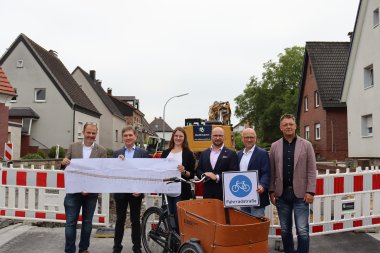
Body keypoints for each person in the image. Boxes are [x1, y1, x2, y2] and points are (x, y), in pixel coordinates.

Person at [269, 114, 316, 253]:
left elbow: (312, 170)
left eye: (290, 124)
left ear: (295, 126)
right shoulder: (274, 146)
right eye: (285, 125)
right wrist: (271, 191)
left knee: (302, 230)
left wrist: (310, 191)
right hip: (281, 194)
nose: (288, 127)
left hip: (301, 194)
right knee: (285, 230)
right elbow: (272, 171)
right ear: (281, 127)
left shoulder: (306, 145)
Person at [61, 122, 107, 253]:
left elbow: (102, 172)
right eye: (88, 132)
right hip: (74, 192)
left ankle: (83, 249)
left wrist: (91, 188)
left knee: (87, 223)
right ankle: (69, 250)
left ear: (96, 134)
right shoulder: (73, 146)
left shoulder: (101, 150)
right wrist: (63, 162)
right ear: (83, 132)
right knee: (70, 222)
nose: (91, 135)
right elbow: (65, 164)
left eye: (93, 133)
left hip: (91, 193)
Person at [113, 125, 149, 253]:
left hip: (136, 192)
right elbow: (112, 172)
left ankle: (137, 247)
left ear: (135, 136)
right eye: (125, 136)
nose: (128, 138)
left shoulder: (143, 153)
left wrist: (141, 189)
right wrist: (117, 162)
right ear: (123, 138)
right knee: (119, 220)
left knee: (135, 221)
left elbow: (146, 173)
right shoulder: (116, 154)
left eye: (130, 135)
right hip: (121, 192)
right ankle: (117, 247)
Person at [161, 127, 196, 231]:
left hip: (180, 191)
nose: (178, 138)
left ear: (184, 138)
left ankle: (178, 244)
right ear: (173, 137)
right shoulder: (165, 152)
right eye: (176, 136)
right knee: (168, 218)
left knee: (179, 219)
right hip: (166, 189)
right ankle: (170, 243)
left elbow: (191, 175)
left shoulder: (188, 154)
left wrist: (184, 171)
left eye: (181, 136)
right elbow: (159, 169)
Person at [196, 126, 238, 200]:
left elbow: (234, 172)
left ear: (224, 137)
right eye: (215, 135)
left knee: (224, 212)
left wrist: (217, 177)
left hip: (225, 194)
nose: (217, 138)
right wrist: (204, 175)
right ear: (211, 137)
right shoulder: (204, 153)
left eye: (220, 136)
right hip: (207, 194)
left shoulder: (231, 154)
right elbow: (198, 170)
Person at [237, 128, 270, 217]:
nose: (249, 140)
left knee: (257, 224)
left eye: (252, 137)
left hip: (257, 195)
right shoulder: (239, 154)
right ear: (242, 139)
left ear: (255, 138)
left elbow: (266, 172)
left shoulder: (262, 153)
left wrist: (262, 185)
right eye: (246, 137)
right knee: (246, 224)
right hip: (243, 196)